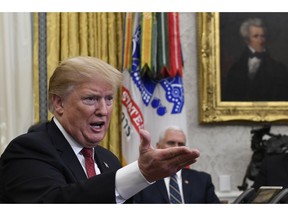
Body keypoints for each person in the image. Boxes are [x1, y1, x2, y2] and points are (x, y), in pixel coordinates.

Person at [0, 56, 200, 203]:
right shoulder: (29, 150)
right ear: (59, 103)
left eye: (109, 99)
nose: (103, 111)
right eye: (91, 99)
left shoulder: (108, 160)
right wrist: (139, 173)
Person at [133, 126, 220, 204]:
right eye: (171, 143)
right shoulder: (143, 180)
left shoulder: (202, 180)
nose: (177, 148)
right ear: (158, 146)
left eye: (181, 144)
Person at [223, 17, 288, 101]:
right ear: (247, 40)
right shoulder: (235, 68)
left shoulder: (279, 69)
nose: (260, 41)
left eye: (262, 36)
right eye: (256, 36)